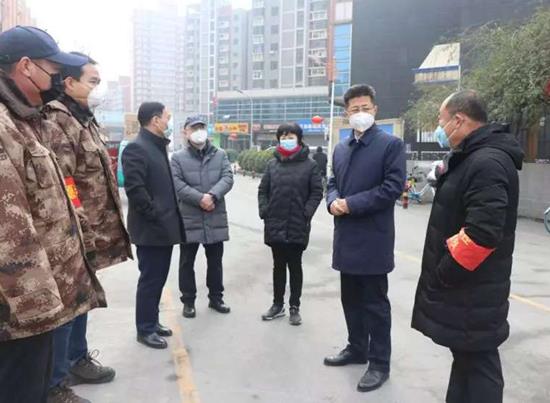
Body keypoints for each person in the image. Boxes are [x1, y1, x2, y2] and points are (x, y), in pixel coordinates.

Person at [0, 26, 106, 403]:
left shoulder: (29, 120)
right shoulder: (5, 125)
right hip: (23, 308)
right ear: (26, 67)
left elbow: (59, 193)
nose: (59, 77)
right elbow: (8, 228)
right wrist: (39, 310)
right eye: (52, 67)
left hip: (45, 293)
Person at [411, 90, 523, 403]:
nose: (438, 128)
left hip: (471, 291)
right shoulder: (473, 157)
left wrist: (444, 273)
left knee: (479, 366)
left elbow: (483, 233)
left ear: (458, 120)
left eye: (440, 121)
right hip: (470, 291)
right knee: (467, 361)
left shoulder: (487, 162)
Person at [42, 53, 132, 400]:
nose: (97, 88)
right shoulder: (57, 120)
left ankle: (76, 359)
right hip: (73, 230)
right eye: (92, 81)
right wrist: (80, 225)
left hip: (89, 230)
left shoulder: (82, 117)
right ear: (69, 83)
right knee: (67, 306)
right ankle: (55, 382)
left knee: (83, 300)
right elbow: (65, 181)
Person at [323, 84, 406, 392]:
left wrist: (350, 204)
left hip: (373, 239)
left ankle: (379, 363)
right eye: (354, 109)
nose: (360, 114)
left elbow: (392, 188)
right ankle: (356, 348)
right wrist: (332, 200)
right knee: (351, 300)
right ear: (347, 114)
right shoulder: (341, 147)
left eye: (365, 108)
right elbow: (332, 182)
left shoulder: (390, 145)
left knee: (375, 305)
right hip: (345, 236)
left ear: (375, 110)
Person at [122, 102, 184, 349]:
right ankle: (144, 329)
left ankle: (152, 321)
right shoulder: (137, 148)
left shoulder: (156, 147)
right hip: (151, 228)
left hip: (163, 227)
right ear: (155, 120)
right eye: (167, 117)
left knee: (158, 279)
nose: (168, 122)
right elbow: (136, 190)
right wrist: (155, 214)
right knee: (150, 279)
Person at [258, 123, 323, 325]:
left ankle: (295, 306)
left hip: (298, 223)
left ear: (299, 138)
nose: (287, 138)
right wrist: (265, 211)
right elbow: (263, 190)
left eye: (291, 135)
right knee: (278, 265)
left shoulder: (310, 165)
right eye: (283, 135)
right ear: (278, 139)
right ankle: (277, 304)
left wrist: (306, 213)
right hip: (275, 222)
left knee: (295, 266)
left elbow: (316, 192)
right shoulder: (272, 164)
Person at [171, 116, 233, 318]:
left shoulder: (220, 154)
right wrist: (200, 199)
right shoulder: (178, 158)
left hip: (214, 216)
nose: (198, 132)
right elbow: (176, 184)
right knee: (186, 261)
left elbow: (227, 178)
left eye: (201, 127)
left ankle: (216, 298)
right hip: (189, 217)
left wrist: (213, 195)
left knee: (215, 261)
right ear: (185, 132)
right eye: (194, 128)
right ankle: (188, 301)